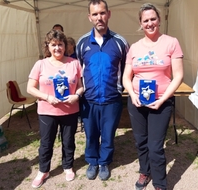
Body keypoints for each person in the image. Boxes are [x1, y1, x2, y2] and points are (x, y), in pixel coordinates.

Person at [122, 3, 183, 190]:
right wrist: (132, 95)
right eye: (145, 20)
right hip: (137, 102)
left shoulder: (171, 42)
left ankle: (159, 183)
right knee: (141, 142)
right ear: (141, 23)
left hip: (161, 103)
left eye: (153, 19)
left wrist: (163, 99)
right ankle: (144, 171)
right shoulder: (135, 47)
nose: (150, 23)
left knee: (155, 146)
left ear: (159, 20)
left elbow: (178, 75)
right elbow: (126, 76)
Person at [76, 0, 129, 181]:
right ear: (89, 17)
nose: (99, 17)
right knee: (91, 134)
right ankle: (92, 161)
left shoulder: (120, 42)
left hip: (112, 99)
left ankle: (104, 162)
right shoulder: (82, 43)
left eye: (102, 13)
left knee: (108, 134)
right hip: (89, 100)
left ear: (109, 14)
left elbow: (128, 70)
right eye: (95, 14)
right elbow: (77, 71)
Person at [27, 29, 84, 188]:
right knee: (46, 143)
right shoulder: (41, 64)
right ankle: (43, 170)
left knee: (68, 141)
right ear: (48, 46)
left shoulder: (74, 63)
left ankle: (68, 166)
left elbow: (81, 87)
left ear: (65, 46)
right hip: (47, 111)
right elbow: (30, 88)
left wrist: (77, 96)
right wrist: (47, 97)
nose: (57, 48)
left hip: (69, 110)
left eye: (60, 44)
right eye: (54, 45)